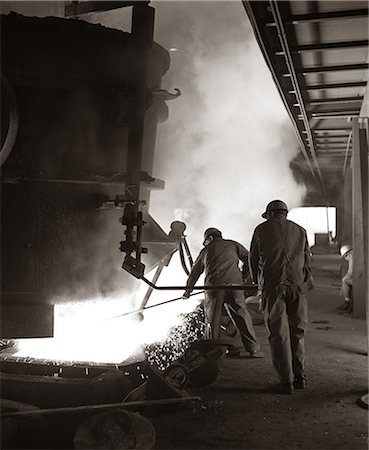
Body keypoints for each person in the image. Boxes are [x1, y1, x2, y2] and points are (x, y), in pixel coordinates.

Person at [249, 200, 313, 394]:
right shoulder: (300, 230)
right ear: (285, 213)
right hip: (297, 286)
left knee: (279, 335)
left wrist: (257, 284)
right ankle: (300, 377)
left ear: (269, 213)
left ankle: (286, 382)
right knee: (297, 332)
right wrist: (304, 282)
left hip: (273, 287)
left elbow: (253, 260)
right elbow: (307, 259)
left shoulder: (261, 230)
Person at [182, 227, 263, 358]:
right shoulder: (233, 244)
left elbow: (195, 272)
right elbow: (249, 259)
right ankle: (253, 349)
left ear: (209, 239)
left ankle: (213, 349)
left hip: (214, 287)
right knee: (242, 316)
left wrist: (187, 291)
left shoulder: (206, 250)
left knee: (212, 318)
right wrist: (244, 277)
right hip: (235, 286)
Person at [337, 244, 353, 312]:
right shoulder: (355, 254)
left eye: (345, 257)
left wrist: (345, 278)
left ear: (347, 254)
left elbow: (351, 271)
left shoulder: (352, 256)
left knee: (345, 281)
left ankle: (347, 302)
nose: (345, 259)